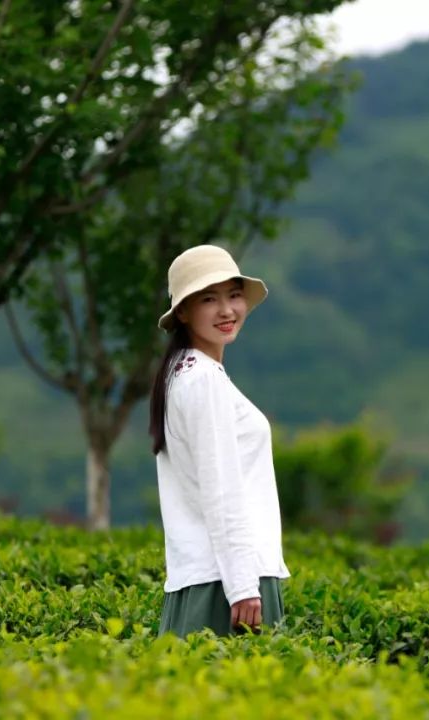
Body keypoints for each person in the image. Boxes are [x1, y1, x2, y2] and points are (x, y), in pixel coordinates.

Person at [149, 244, 290, 638]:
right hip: (228, 583)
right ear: (183, 311)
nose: (227, 310)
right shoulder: (203, 380)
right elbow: (222, 488)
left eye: (234, 295)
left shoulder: (181, 373)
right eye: (209, 299)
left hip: (208, 576)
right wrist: (243, 586)